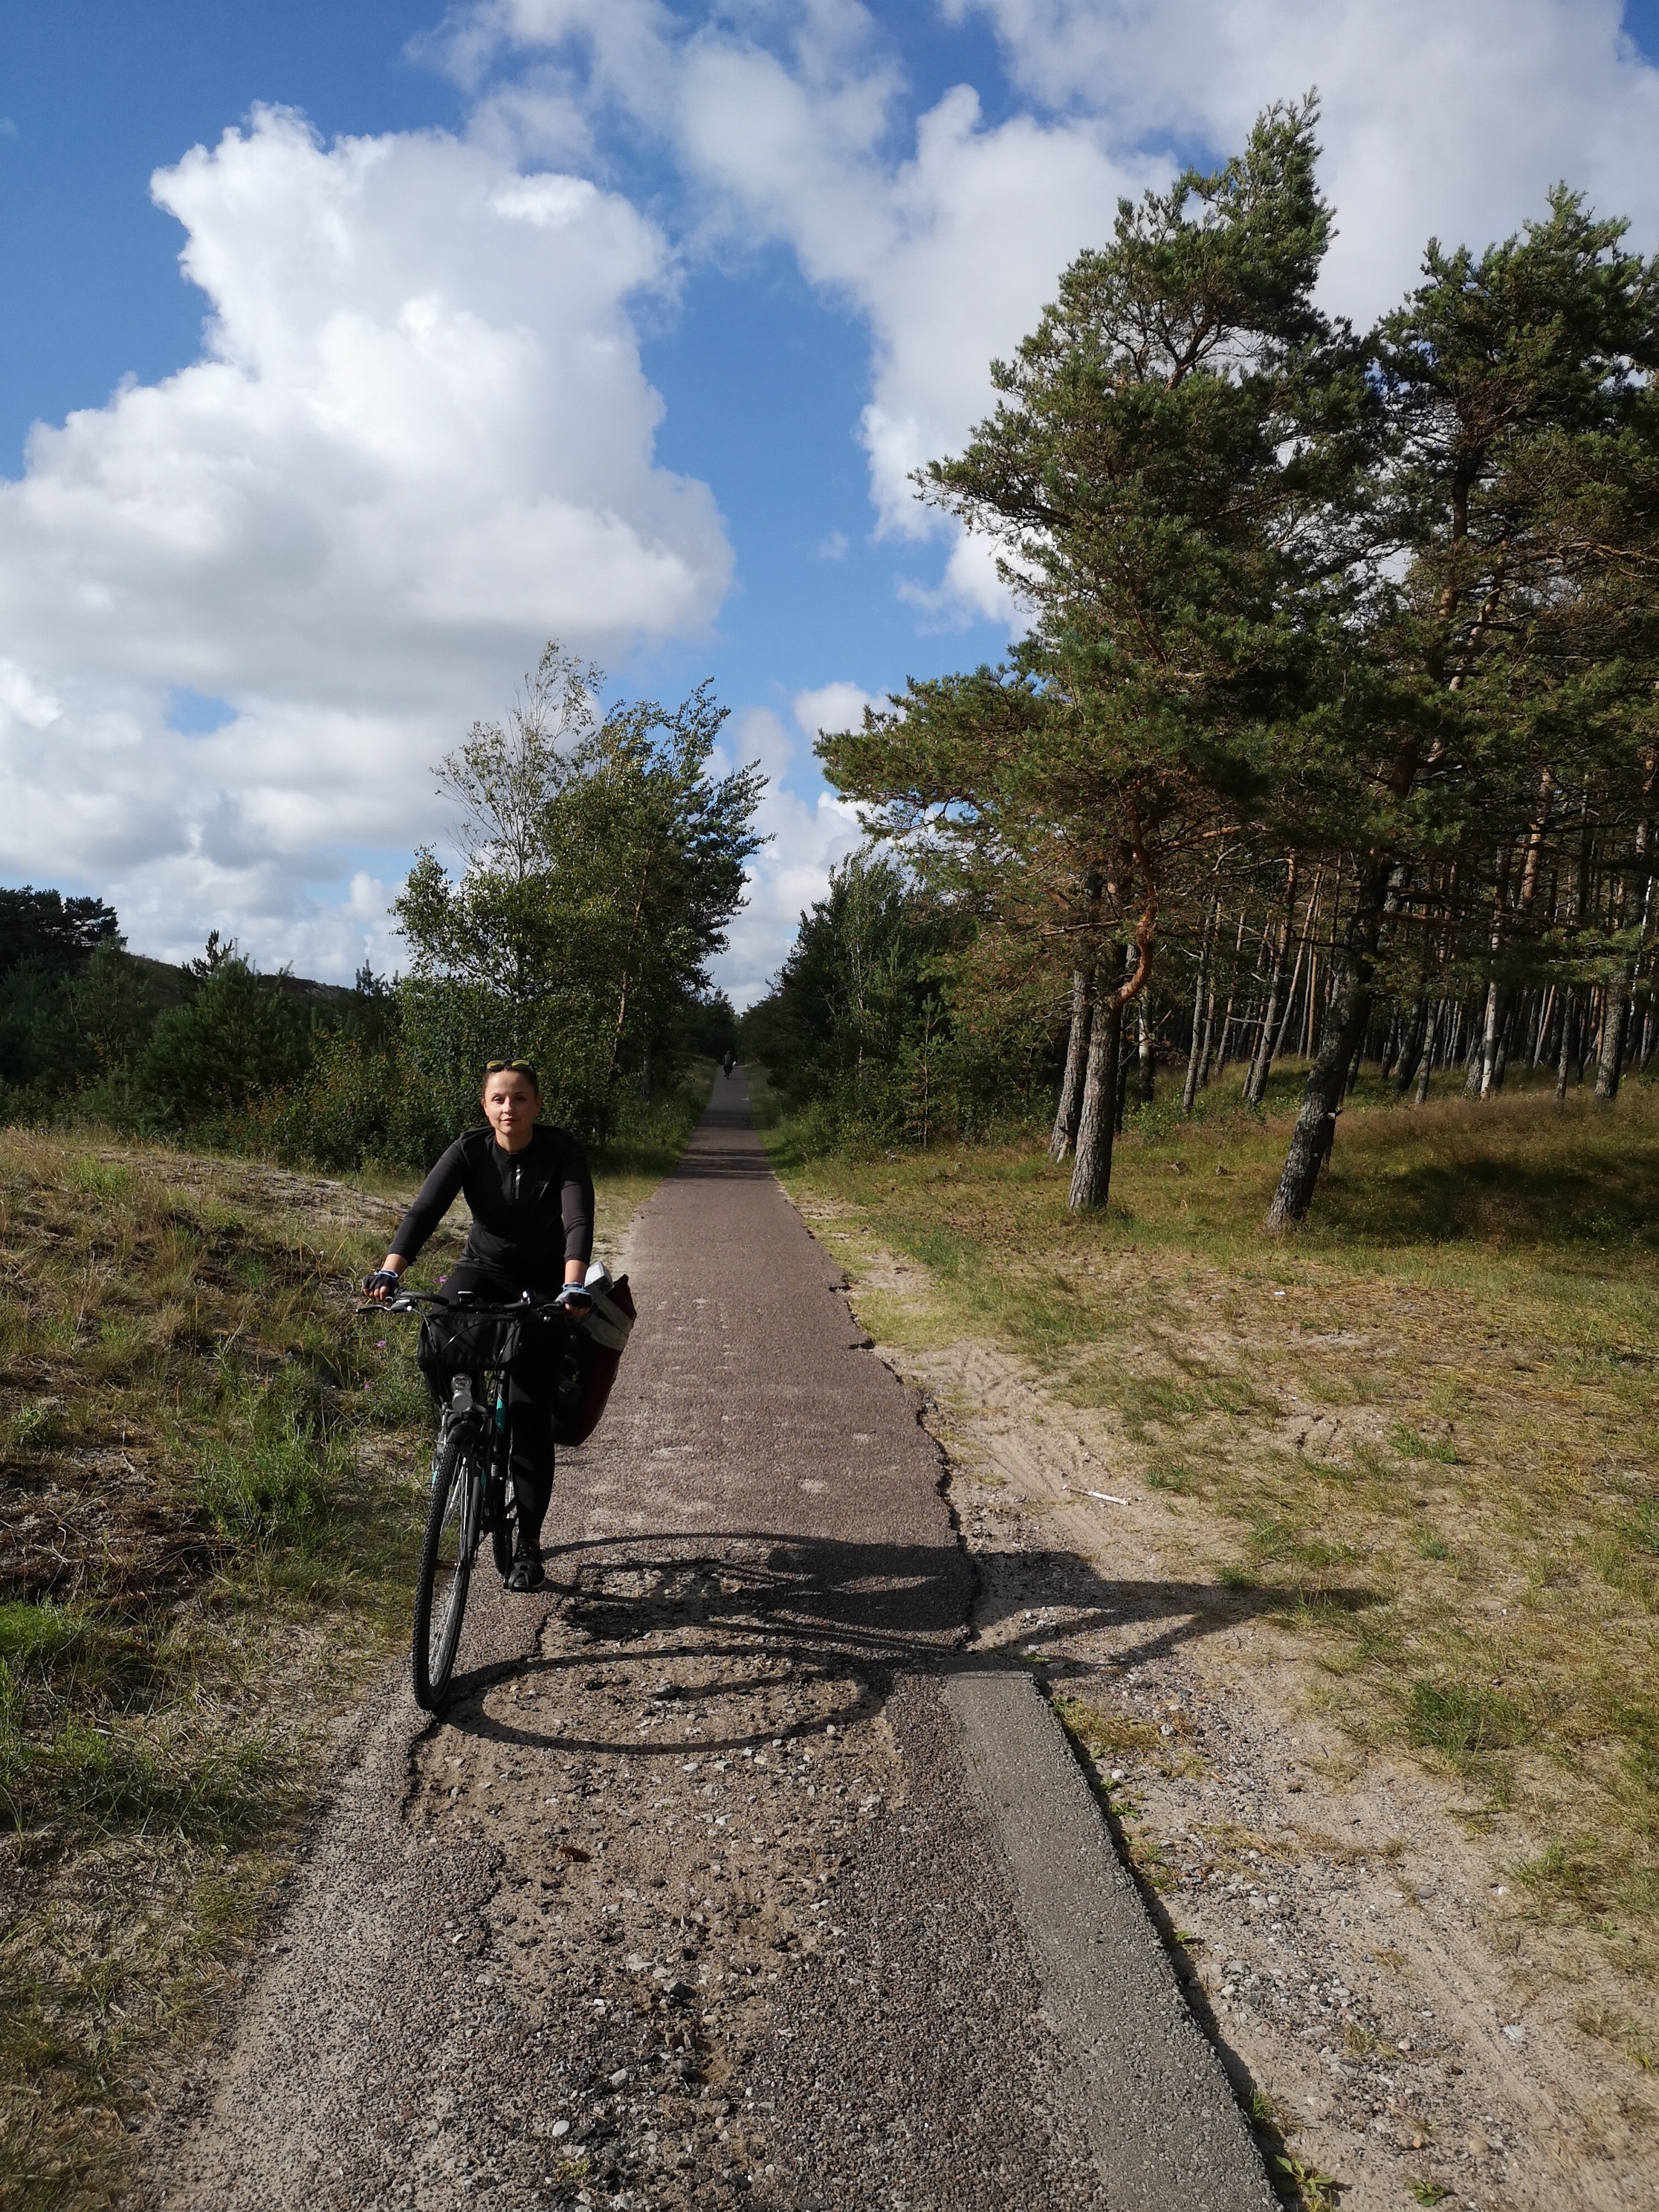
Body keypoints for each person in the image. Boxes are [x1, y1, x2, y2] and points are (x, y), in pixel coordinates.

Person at [365, 1059, 594, 1593]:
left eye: (519, 1098)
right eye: (499, 1099)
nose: (509, 1108)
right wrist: (390, 1270)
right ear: (486, 1106)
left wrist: (573, 1285)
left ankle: (528, 1545)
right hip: (483, 1269)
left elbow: (578, 1218)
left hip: (544, 1280)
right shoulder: (469, 1149)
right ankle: (461, 1424)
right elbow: (424, 1212)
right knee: (439, 1333)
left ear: (537, 1104)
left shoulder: (561, 1150)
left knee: (529, 1413)